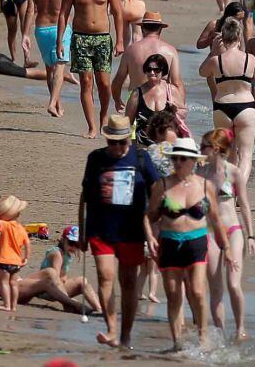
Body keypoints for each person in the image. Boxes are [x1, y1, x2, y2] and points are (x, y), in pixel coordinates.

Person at [146, 137, 235, 352]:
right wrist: (150, 237)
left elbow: (215, 219)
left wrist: (228, 248)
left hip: (196, 241)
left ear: (193, 161)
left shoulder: (205, 186)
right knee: (174, 294)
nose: (177, 162)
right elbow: (148, 216)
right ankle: (177, 342)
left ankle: (203, 338)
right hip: (169, 242)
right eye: (175, 158)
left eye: (182, 158)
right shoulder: (162, 185)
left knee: (197, 292)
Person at [79, 115, 160, 348]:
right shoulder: (95, 159)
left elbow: (158, 192)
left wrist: (153, 225)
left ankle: (125, 334)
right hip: (99, 228)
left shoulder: (142, 158)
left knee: (128, 283)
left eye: (121, 142)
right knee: (105, 276)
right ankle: (112, 328)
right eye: (111, 142)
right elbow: (84, 197)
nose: (116, 147)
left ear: (128, 140)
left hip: (131, 231)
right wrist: (82, 230)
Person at [196, 129, 255, 341]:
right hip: (210, 232)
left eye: (202, 146)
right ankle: (220, 332)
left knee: (233, 283)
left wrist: (251, 237)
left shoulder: (234, 172)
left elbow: (245, 205)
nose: (199, 150)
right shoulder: (200, 173)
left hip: (233, 230)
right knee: (215, 288)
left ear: (214, 149)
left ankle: (240, 328)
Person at [59, 0, 124, 139]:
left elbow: (118, 13)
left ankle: (104, 117)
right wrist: (60, 41)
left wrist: (119, 40)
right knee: (86, 83)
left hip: (103, 38)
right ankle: (92, 126)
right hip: (80, 38)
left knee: (104, 83)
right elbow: (63, 13)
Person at [198, 18, 255, 180]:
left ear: (223, 36)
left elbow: (202, 72)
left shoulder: (216, 60)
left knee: (228, 155)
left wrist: (214, 51)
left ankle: (229, 192)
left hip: (222, 107)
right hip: (246, 107)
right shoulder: (250, 59)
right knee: (245, 156)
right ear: (239, 35)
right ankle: (238, 193)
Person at [30, 0, 71, 117]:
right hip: (60, 28)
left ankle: (58, 107)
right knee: (60, 68)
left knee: (50, 69)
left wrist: (25, 34)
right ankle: (52, 103)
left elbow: (29, 11)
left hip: (41, 29)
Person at [125, 53, 184, 147]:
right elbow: (128, 123)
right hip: (142, 145)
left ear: (163, 71)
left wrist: (175, 110)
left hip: (167, 146)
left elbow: (182, 121)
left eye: (156, 70)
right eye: (149, 69)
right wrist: (131, 143)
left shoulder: (171, 91)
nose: (152, 72)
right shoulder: (137, 93)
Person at [0, 195, 30, 313]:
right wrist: (26, 258)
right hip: (16, 261)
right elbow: (28, 244)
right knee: (14, 283)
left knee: (4, 282)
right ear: (17, 214)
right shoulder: (21, 228)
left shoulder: (5, 225)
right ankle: (14, 306)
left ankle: (6, 304)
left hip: (5, 260)